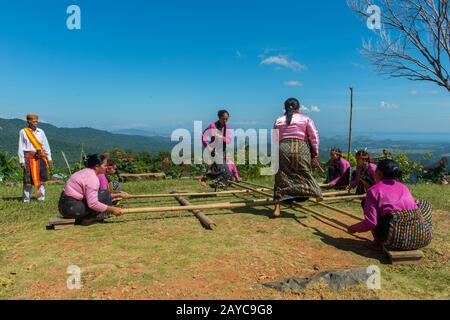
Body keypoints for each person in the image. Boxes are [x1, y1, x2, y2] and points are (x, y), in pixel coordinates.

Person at [348, 159, 433, 251]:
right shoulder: (403, 187)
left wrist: (353, 228)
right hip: (421, 238)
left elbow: (371, 223)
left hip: (393, 240)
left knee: (365, 203)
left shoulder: (373, 191)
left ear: (379, 173)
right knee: (421, 204)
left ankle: (377, 243)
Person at [272, 98, 322, 217]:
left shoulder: (279, 120)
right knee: (304, 173)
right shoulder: (306, 119)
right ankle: (316, 192)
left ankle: (277, 209)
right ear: (298, 108)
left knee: (280, 176)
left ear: (285, 108)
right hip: (300, 148)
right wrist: (315, 152)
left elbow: (274, 139)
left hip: (283, 148)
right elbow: (314, 136)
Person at [58, 154, 123, 223]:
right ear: (97, 167)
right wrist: (112, 209)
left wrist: (117, 195)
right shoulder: (92, 178)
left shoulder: (84, 172)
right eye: (104, 166)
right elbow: (93, 204)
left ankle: (89, 217)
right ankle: (91, 218)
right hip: (72, 209)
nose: (106, 168)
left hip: (64, 207)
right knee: (105, 194)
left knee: (103, 193)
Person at [18, 114, 54, 203]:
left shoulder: (41, 132)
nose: (36, 123)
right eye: (34, 121)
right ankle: (26, 199)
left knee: (41, 178)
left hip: (40, 158)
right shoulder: (23, 132)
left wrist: (49, 159)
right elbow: (20, 147)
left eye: (37, 121)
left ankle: (41, 198)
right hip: (28, 158)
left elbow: (46, 146)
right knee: (28, 179)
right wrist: (21, 160)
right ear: (28, 121)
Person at [200, 110, 234, 189]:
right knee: (221, 170)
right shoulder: (212, 126)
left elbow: (229, 140)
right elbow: (203, 136)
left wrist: (221, 137)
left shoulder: (227, 128)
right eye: (223, 119)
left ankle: (210, 180)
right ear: (219, 118)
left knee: (228, 173)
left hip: (223, 152)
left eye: (226, 119)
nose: (225, 121)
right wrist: (207, 146)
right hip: (213, 151)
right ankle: (206, 178)